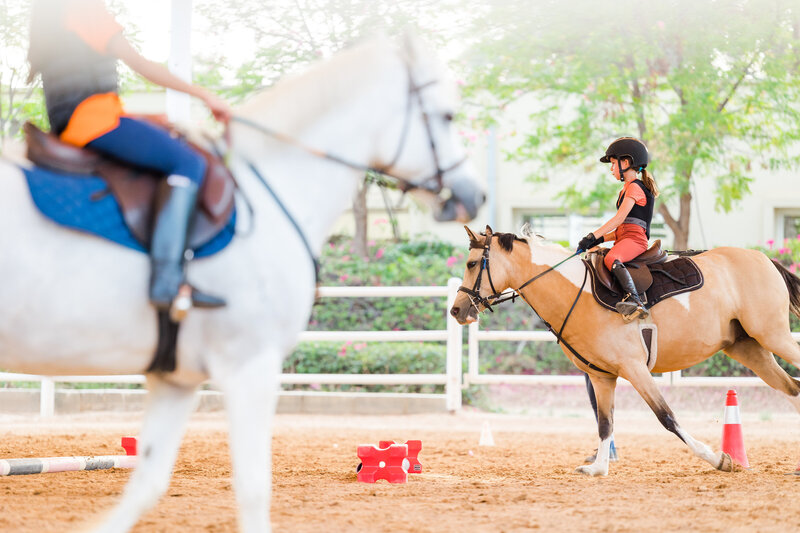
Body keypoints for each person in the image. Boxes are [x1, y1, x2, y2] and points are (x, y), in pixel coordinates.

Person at [27, 0, 231, 313]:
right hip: (96, 123)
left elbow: (88, 94)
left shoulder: (50, 18)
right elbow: (143, 66)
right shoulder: (85, 10)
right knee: (189, 162)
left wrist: (152, 119)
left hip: (72, 124)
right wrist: (205, 96)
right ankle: (167, 279)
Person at [576, 137, 660, 321]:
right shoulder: (625, 189)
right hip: (625, 238)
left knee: (612, 258)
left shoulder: (635, 188)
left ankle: (635, 301)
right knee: (596, 253)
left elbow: (619, 219)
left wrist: (592, 235)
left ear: (626, 162)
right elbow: (622, 228)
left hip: (635, 241)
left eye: (613, 163)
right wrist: (599, 240)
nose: (611, 168)